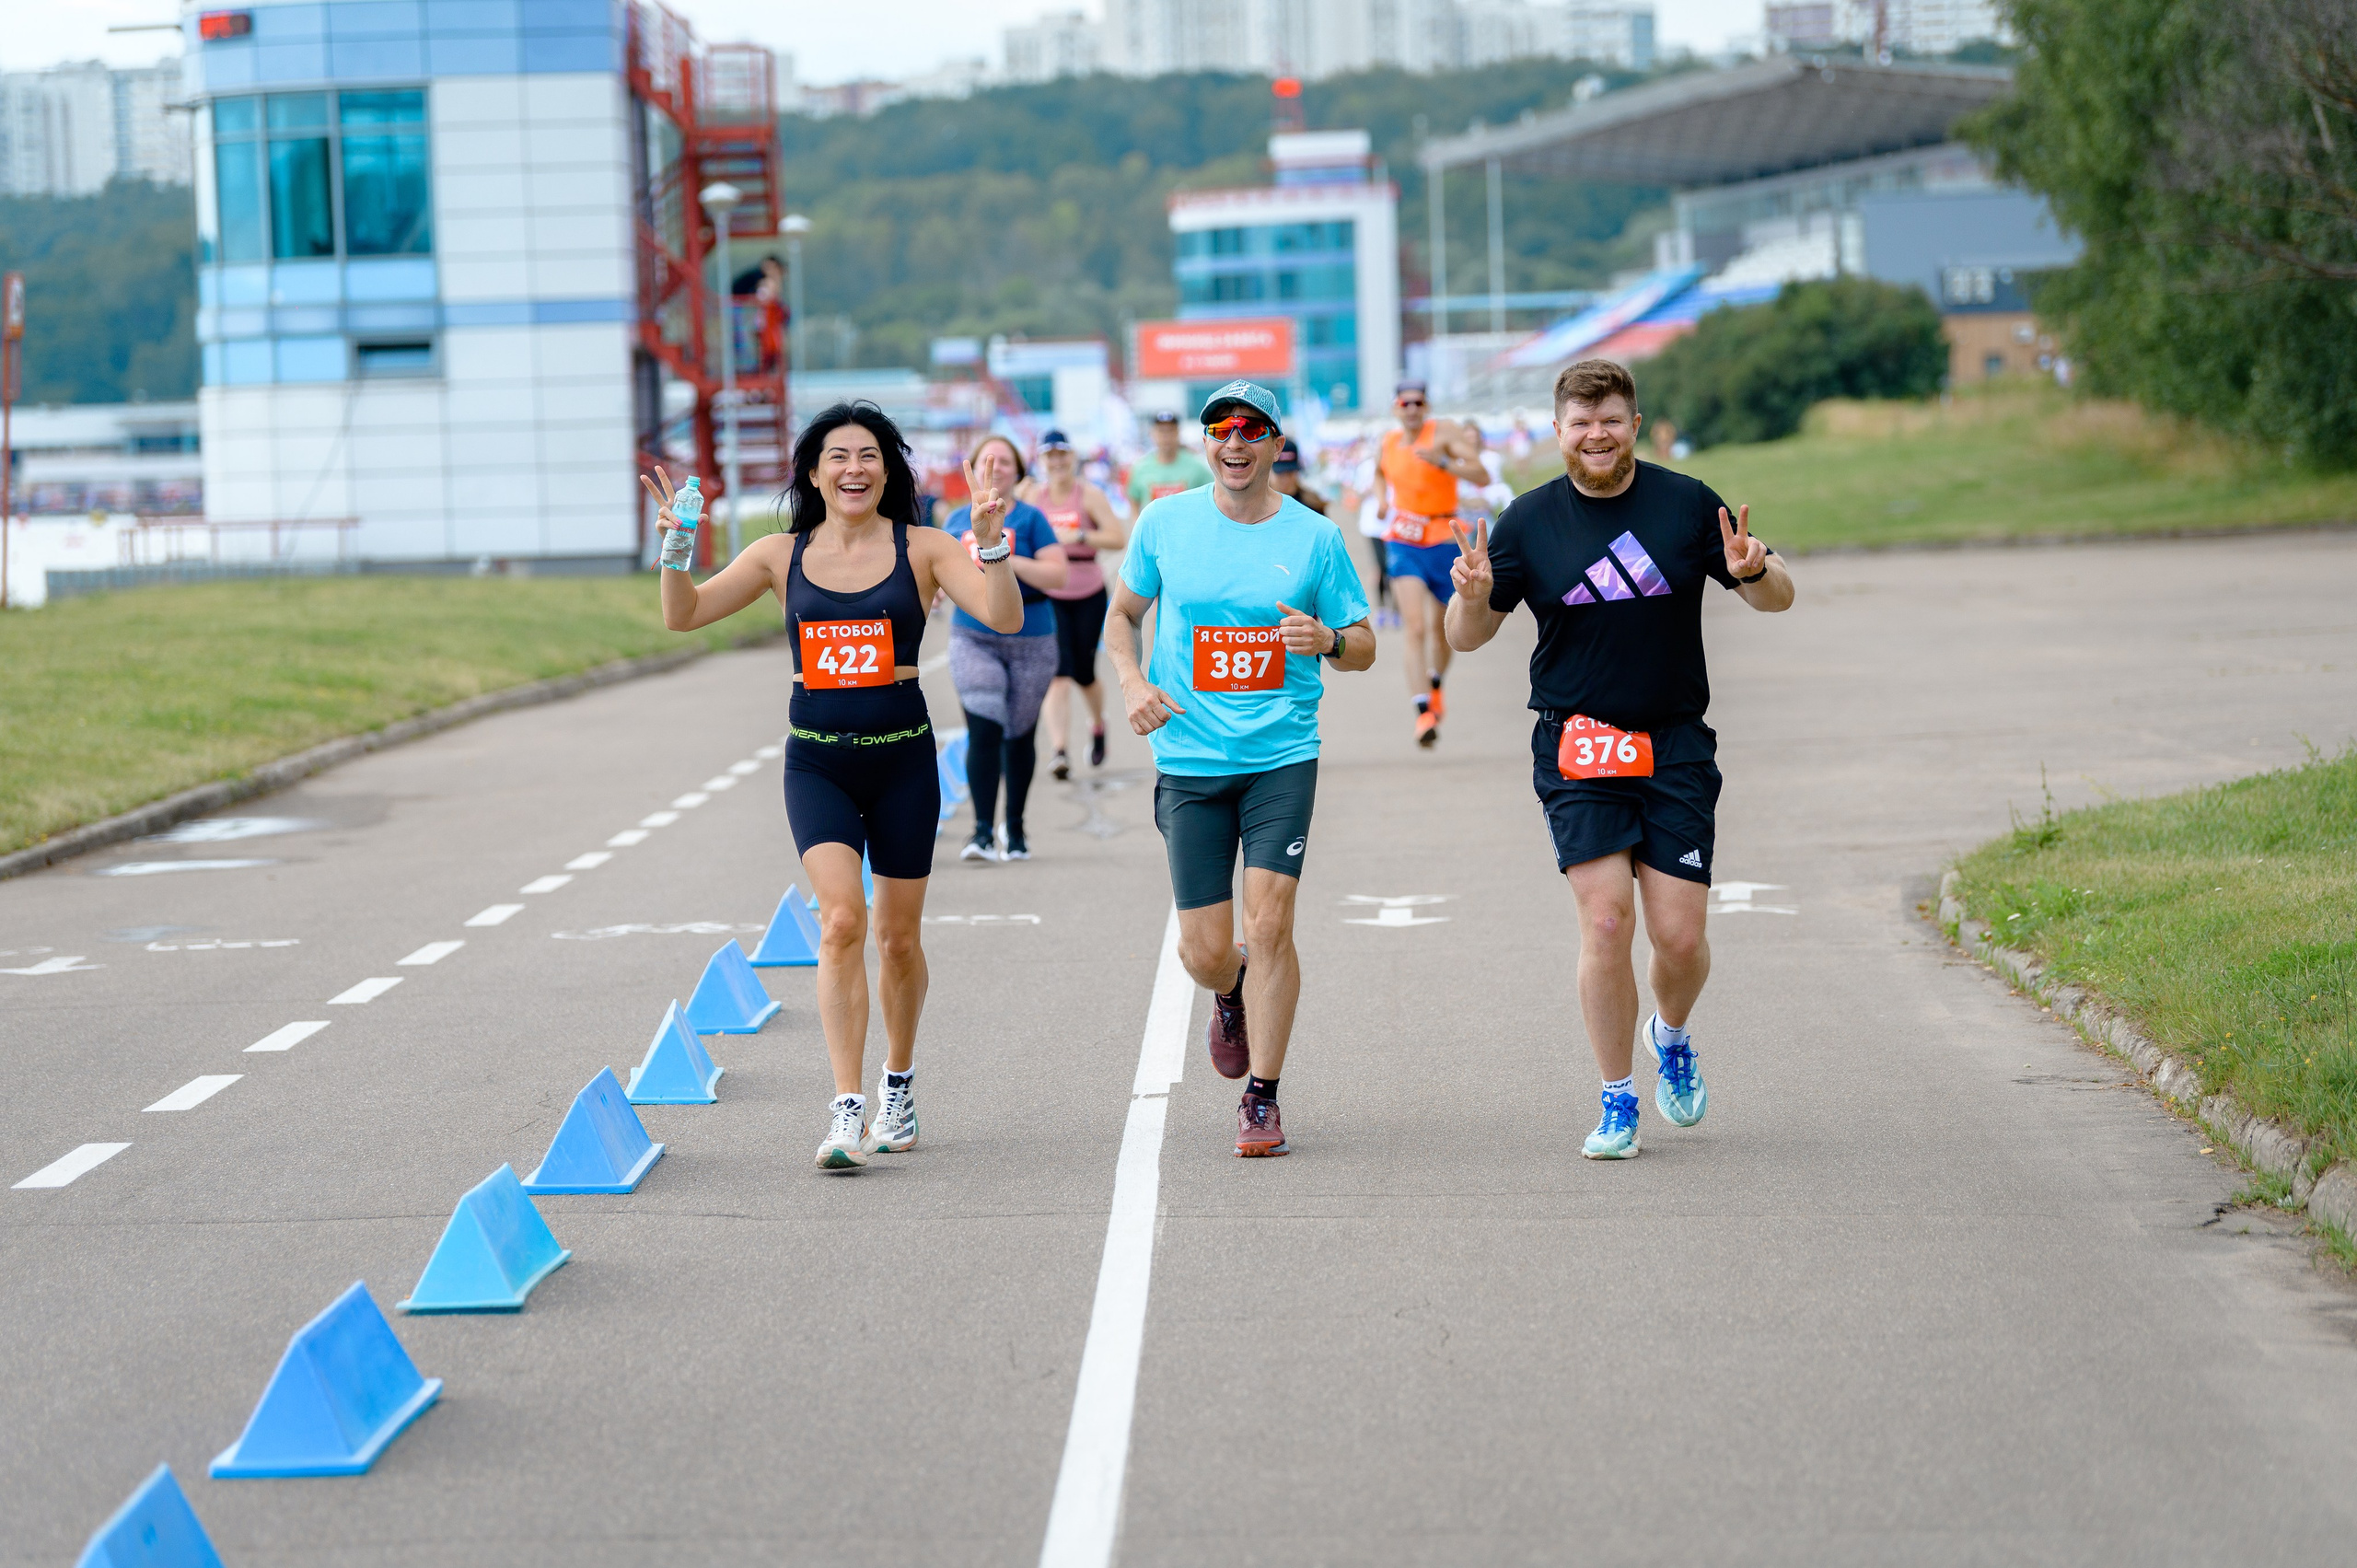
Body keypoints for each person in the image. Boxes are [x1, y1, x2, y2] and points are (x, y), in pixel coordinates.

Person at [645, 401, 1027, 1170]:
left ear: (887, 471)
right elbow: (683, 615)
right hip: (817, 762)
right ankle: (846, 1107)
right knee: (842, 920)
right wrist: (677, 545)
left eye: (869, 456)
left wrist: (990, 547)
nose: (854, 469)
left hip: (903, 761)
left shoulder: (923, 547)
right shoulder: (776, 555)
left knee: (897, 938)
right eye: (838, 457)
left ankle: (898, 1085)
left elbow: (1003, 616)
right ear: (814, 474)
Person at [1444, 358, 1794, 1161]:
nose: (1596, 435)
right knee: (1605, 919)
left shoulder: (1686, 503)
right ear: (1558, 431)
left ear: (1634, 425)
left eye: (1610, 420)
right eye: (1581, 422)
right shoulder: (1529, 521)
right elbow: (1468, 637)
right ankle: (1616, 1098)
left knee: (1680, 938)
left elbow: (1778, 595)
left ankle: (1670, 1033)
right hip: (1578, 743)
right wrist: (1470, 595)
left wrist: (1755, 570)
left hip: (1673, 744)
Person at [1104, 380, 1376, 1158]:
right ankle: (1231, 989)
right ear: (1205, 444)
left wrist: (1328, 641)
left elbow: (1363, 644)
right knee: (1203, 950)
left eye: (1251, 430)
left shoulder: (1315, 538)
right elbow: (1122, 617)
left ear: (1275, 446)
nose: (1234, 442)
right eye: (1220, 428)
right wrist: (1132, 681)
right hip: (1188, 757)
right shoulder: (1164, 523)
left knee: (1271, 922)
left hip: (1280, 756)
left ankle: (1262, 1096)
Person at [943, 434, 1068, 862]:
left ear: (1018, 471)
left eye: (1005, 462)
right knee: (984, 727)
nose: (995, 469)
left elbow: (1057, 575)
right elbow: (935, 572)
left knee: (1019, 733)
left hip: (1032, 638)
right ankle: (980, 832)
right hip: (973, 637)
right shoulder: (957, 519)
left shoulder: (1032, 518)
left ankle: (1015, 829)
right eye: (986, 461)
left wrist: (999, 554)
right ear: (973, 468)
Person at [1376, 381, 1489, 748]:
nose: (1411, 409)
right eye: (1404, 403)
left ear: (1426, 406)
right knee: (1415, 626)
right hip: (1404, 540)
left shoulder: (1445, 433)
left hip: (1443, 540)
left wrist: (1442, 461)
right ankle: (1423, 711)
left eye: (1418, 403)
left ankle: (1436, 683)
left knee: (1443, 630)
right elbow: (1379, 473)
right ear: (1396, 408)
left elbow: (1482, 475)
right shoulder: (1389, 441)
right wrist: (1381, 500)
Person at [1019, 428, 1129, 781]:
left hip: (1088, 590)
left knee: (1084, 673)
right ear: (1041, 460)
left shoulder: (1089, 494)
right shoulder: (1033, 496)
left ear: (1072, 457)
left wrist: (1080, 535)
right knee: (1059, 673)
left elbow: (1117, 538)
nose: (1057, 462)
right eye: (1049, 456)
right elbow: (1013, 529)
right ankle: (1060, 751)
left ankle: (1097, 724)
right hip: (1049, 593)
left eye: (1062, 455)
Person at [1126, 409, 1213, 511]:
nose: (1166, 436)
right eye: (1161, 431)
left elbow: (1212, 495)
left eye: (1170, 430)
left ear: (1178, 432)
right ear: (1152, 433)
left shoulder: (1197, 466)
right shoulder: (1140, 468)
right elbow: (1133, 502)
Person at [1271, 436, 1329, 516]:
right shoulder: (1259, 506)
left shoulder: (1313, 505)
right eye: (1280, 474)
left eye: (1290, 473)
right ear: (1269, 472)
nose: (1286, 479)